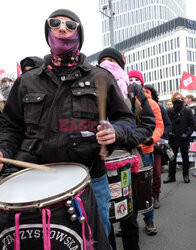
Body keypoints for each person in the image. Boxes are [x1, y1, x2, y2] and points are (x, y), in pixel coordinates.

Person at [0, 9, 137, 249]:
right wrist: (2, 152)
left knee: (93, 240)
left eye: (70, 25)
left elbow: (127, 120)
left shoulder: (100, 77)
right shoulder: (27, 81)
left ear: (79, 33)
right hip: (33, 179)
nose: (62, 28)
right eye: (55, 24)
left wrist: (116, 131)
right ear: (48, 31)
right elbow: (10, 127)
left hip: (90, 180)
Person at [98, 47, 156, 250]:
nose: (107, 64)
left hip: (126, 162)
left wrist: (129, 139)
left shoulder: (133, 90)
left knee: (128, 215)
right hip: (98, 165)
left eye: (111, 61)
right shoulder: (91, 88)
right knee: (104, 218)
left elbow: (149, 123)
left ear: (121, 66)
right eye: (102, 61)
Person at [129, 70, 164, 235]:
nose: (133, 81)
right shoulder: (120, 99)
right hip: (126, 151)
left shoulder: (152, 103)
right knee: (126, 187)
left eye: (137, 79)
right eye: (130, 79)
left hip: (145, 150)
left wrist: (152, 138)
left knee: (145, 187)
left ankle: (149, 219)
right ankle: (127, 221)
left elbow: (159, 125)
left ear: (142, 83)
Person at [142, 84, 172, 209]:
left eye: (148, 92)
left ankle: (156, 196)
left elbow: (167, 124)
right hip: (142, 146)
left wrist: (160, 137)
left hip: (157, 146)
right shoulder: (134, 106)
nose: (145, 94)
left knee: (157, 173)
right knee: (143, 175)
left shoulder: (159, 107)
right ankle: (145, 197)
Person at [164, 92, 195, 184]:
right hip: (173, 138)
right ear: (173, 100)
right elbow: (166, 123)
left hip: (183, 138)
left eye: (180, 98)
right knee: (172, 158)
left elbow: (193, 124)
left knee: (185, 158)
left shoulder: (187, 111)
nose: (179, 100)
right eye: (177, 98)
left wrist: (187, 134)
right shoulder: (169, 111)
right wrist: (169, 133)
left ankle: (186, 175)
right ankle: (171, 176)